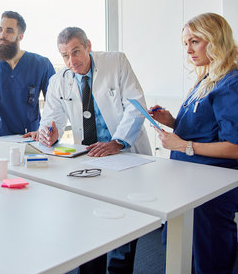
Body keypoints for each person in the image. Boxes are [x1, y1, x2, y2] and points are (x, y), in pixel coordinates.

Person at [33, 26, 151, 274]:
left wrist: (118, 141)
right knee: (88, 222)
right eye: (65, 55)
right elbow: (51, 119)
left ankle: (120, 268)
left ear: (88, 45)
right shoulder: (59, 80)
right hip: (90, 160)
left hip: (124, 155)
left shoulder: (116, 61)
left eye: (76, 51)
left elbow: (135, 104)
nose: (71, 60)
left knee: (124, 221)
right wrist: (49, 132)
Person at [150, 12, 238, 274]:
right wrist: (172, 121)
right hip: (189, 181)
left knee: (207, 256)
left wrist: (182, 146)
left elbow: (236, 147)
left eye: (195, 42)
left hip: (212, 186)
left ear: (215, 39)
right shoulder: (206, 79)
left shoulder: (231, 83)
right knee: (180, 252)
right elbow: (203, 129)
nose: (188, 50)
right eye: (185, 44)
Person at [0, 11, 55, 137]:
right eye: (0, 30)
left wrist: (44, 130)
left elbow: (53, 102)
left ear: (20, 36)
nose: (2, 35)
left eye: (9, 30)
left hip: (31, 136)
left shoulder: (42, 64)